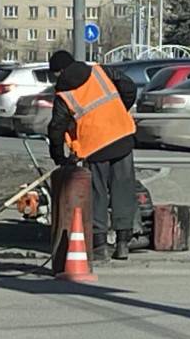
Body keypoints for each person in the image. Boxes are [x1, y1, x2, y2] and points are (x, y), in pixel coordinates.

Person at [47, 50, 138, 262]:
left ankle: (99, 245)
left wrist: (58, 156)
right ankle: (123, 243)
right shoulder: (100, 71)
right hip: (122, 135)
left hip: (95, 145)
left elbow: (56, 127)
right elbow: (129, 87)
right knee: (123, 189)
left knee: (97, 194)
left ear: (59, 72)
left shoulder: (64, 94)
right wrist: (119, 111)